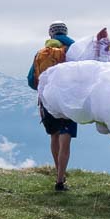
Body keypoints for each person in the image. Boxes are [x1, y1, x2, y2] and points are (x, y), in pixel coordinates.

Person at [29, 22, 76, 192]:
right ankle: (59, 181)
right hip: (67, 102)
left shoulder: (41, 53)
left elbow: (31, 80)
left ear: (50, 34)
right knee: (66, 139)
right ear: (66, 33)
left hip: (46, 102)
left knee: (54, 137)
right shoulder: (74, 51)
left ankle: (60, 175)